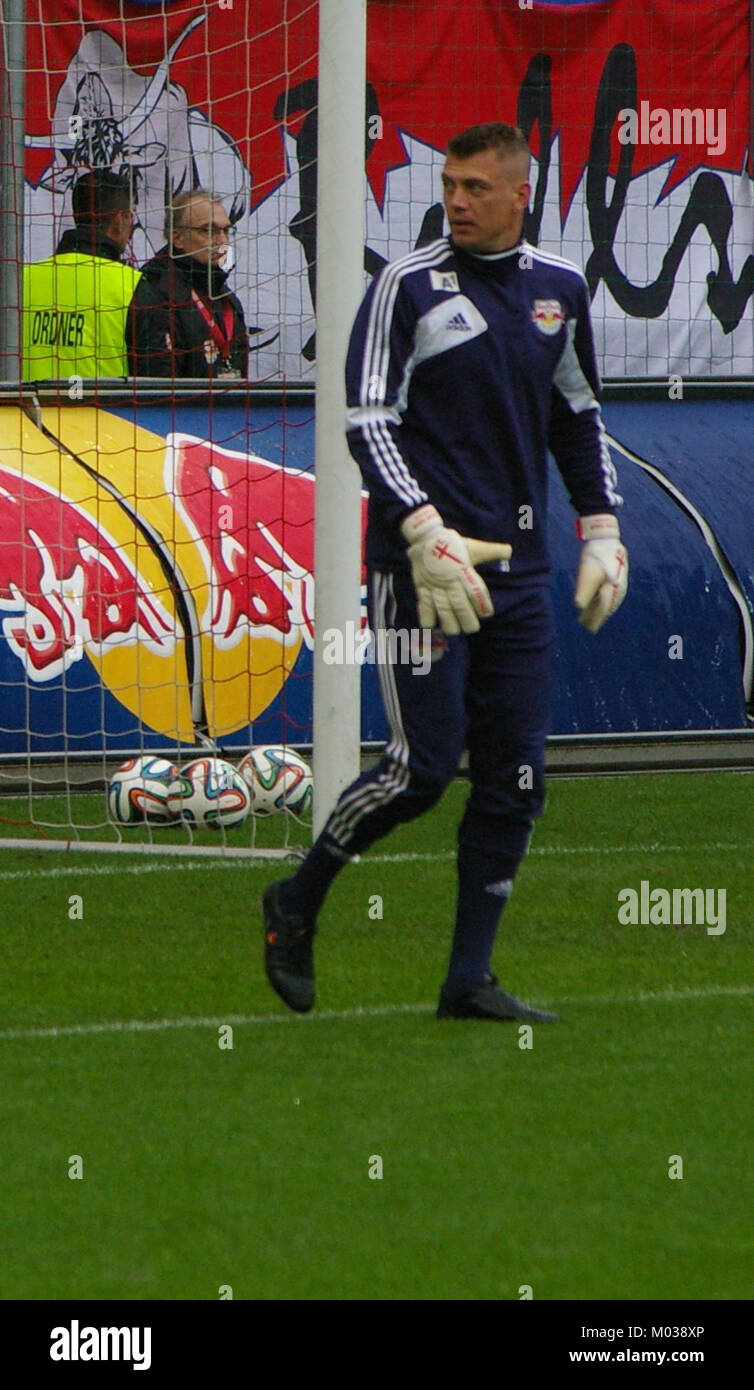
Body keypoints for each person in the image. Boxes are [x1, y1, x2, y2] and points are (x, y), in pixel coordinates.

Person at [262, 122, 628, 1022]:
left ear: (519, 195)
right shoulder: (405, 286)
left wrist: (604, 529)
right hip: (422, 569)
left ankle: (469, 978)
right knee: (421, 770)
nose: (456, 201)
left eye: (474, 187)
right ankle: (296, 900)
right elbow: (368, 419)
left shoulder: (560, 291)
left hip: (521, 571)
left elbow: (576, 416)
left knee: (517, 780)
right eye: (449, 184)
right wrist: (423, 529)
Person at [23, 169, 139, 379]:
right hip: (107, 411)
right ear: (121, 219)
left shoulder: (21, 281)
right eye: (131, 215)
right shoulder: (135, 286)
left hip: (27, 409)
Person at [126, 190, 249, 378]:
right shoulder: (156, 294)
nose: (222, 241)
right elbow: (157, 390)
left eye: (226, 230)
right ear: (177, 239)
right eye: (208, 231)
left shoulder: (226, 299)